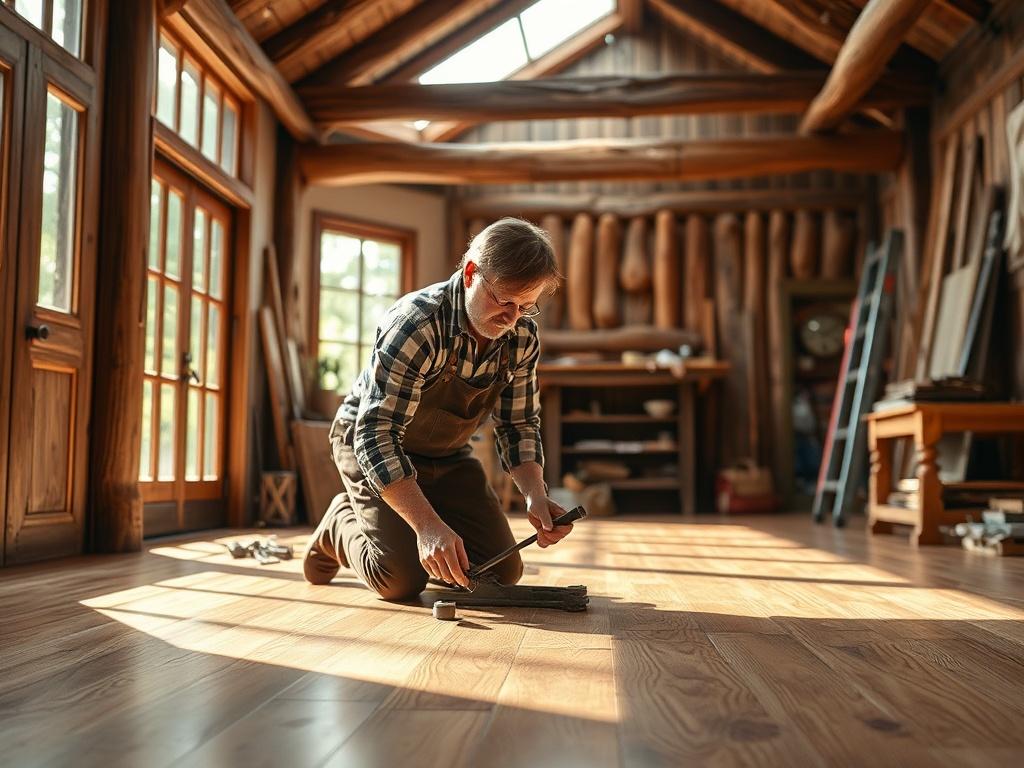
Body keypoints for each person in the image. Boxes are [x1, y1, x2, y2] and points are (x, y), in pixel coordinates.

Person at [303, 217, 575, 600]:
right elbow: (375, 435)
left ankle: (411, 523)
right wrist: (428, 526)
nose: (512, 319)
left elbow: (518, 424)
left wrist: (534, 493)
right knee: (399, 579)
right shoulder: (415, 324)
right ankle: (338, 523)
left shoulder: (521, 336)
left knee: (502, 569)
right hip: (369, 444)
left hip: (445, 455)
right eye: (504, 301)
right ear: (469, 274)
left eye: (525, 306)